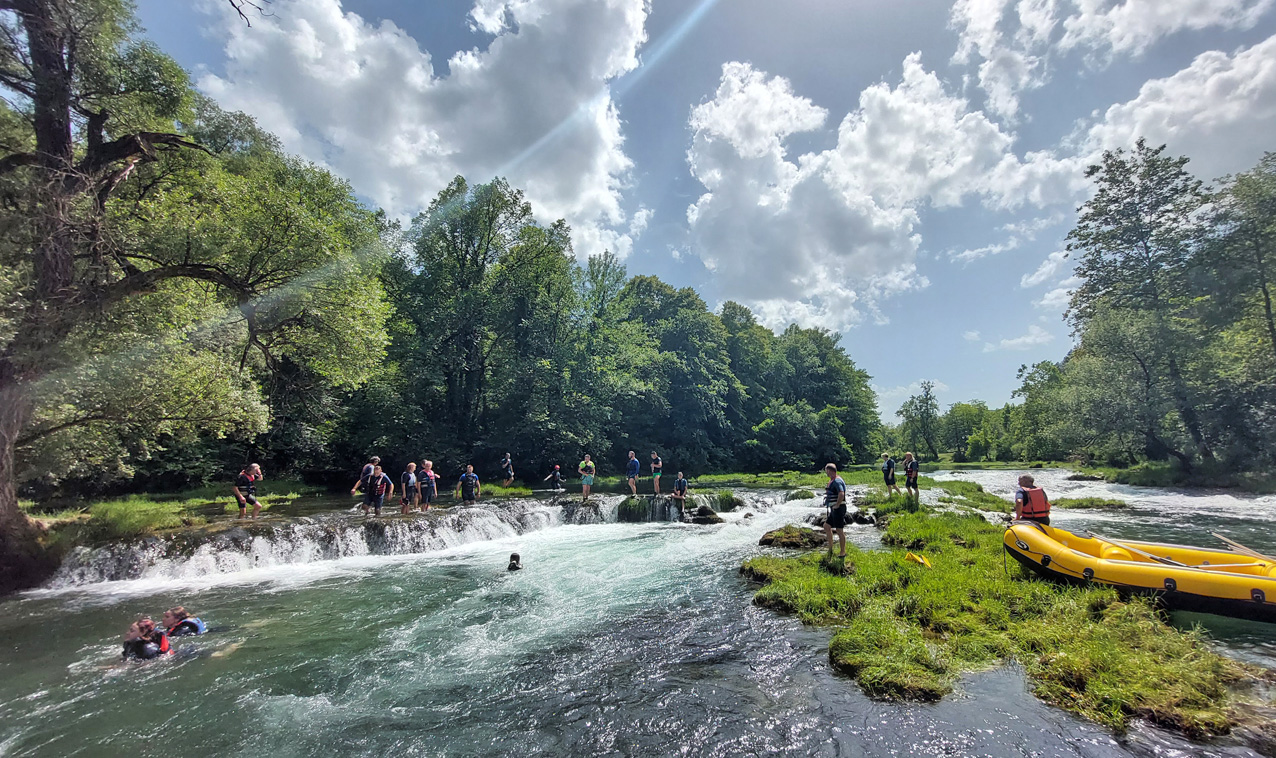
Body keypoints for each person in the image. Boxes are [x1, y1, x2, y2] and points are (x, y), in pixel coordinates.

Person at [822, 463, 848, 558]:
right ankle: (830, 548)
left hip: (839, 508)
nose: (826, 473)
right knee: (826, 526)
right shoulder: (833, 480)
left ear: (830, 471)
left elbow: (841, 493)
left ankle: (842, 552)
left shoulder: (837, 481)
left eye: (826, 471)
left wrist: (837, 505)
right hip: (834, 509)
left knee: (839, 530)